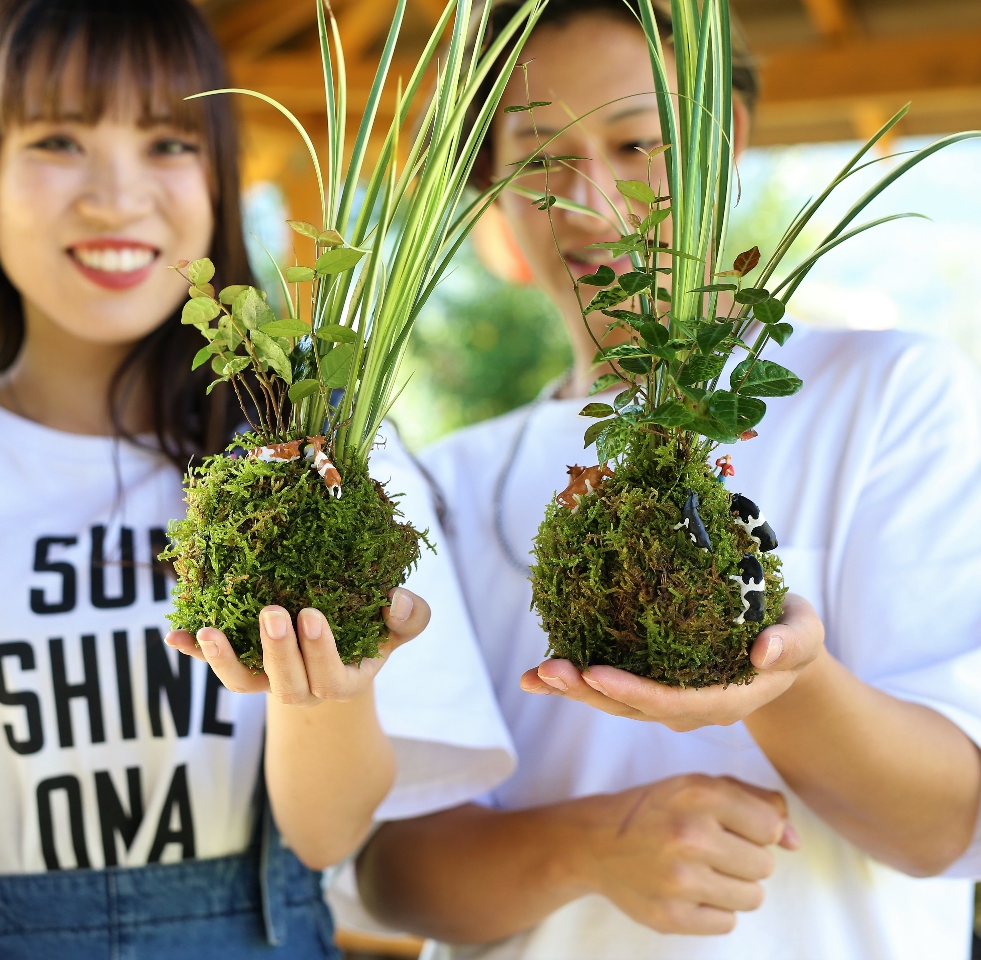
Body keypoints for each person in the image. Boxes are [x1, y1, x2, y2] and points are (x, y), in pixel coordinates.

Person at [0, 2, 515, 957]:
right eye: (59, 138)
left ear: (218, 179)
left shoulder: (329, 459)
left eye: (170, 142)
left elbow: (328, 837)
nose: (117, 195)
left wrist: (325, 693)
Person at [356, 2, 981, 958]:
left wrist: (782, 679)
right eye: (536, 157)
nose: (589, 200)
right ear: (489, 180)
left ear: (720, 136)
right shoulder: (448, 482)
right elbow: (392, 876)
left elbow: (949, 823)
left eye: (638, 141)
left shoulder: (886, 395)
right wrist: (591, 847)